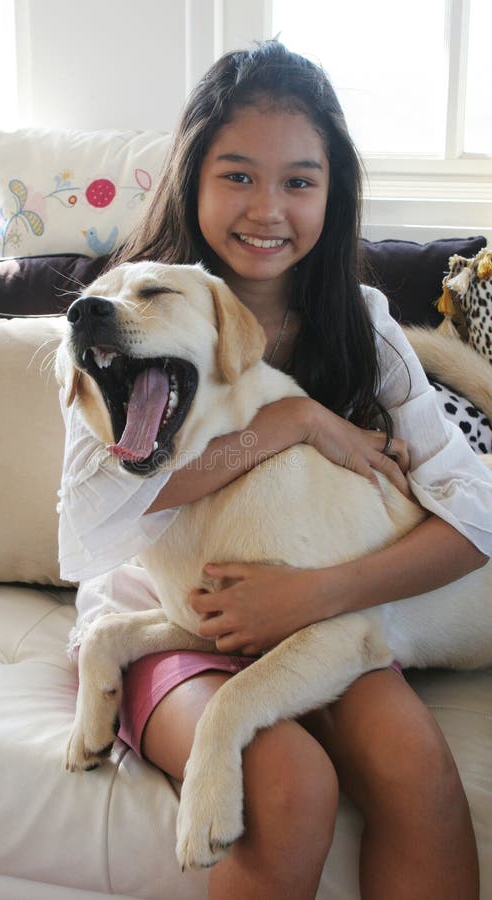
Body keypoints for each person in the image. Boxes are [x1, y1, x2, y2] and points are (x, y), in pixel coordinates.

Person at [58, 41, 492, 900]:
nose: (268, 208)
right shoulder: (119, 309)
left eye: (298, 180)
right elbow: (93, 520)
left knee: (417, 773)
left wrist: (315, 596)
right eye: (237, 175)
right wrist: (294, 421)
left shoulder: (356, 318)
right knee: (286, 787)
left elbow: (474, 506)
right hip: (162, 608)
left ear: (332, 193)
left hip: (313, 603)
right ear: (192, 179)